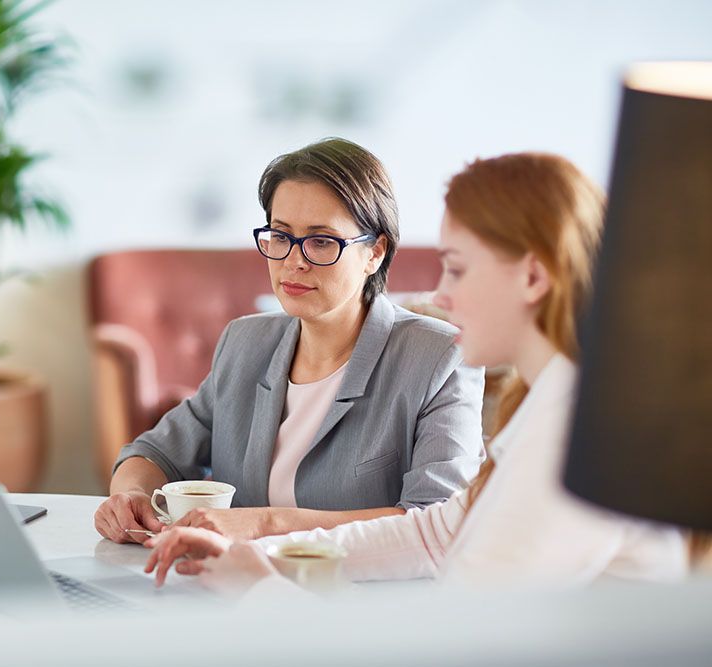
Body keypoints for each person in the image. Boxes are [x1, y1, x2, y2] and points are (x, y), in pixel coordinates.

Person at [144, 152, 689, 591]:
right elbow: (434, 533)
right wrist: (258, 555)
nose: (439, 295)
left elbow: (462, 640)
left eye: (455, 267)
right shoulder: (548, 403)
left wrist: (258, 586)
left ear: (532, 277)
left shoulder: (577, 438)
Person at [95, 138, 485, 545]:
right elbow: (154, 452)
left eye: (321, 241)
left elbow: (439, 521)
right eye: (280, 236)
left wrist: (267, 524)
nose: (293, 260)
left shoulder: (441, 358)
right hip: (234, 589)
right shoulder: (245, 342)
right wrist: (130, 495)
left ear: (375, 252)